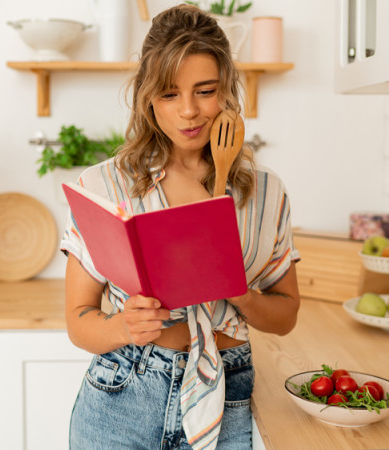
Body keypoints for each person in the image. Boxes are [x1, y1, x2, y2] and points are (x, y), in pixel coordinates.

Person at [60, 4, 300, 449]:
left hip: (228, 396)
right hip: (122, 394)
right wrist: (122, 328)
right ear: (148, 98)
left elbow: (286, 314)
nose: (189, 111)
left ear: (227, 91)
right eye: (169, 94)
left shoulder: (266, 193)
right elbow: (78, 320)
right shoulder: (103, 185)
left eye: (205, 91)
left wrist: (239, 290)